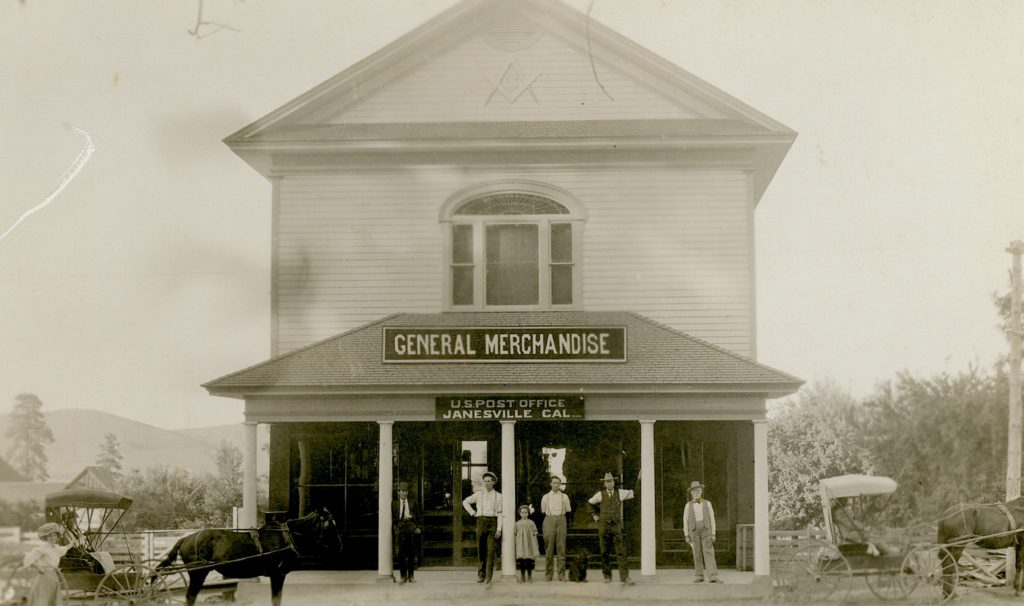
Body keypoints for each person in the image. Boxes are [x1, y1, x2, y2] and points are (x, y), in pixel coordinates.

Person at [587, 472, 634, 585]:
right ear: (604, 483)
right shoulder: (600, 494)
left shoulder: (620, 493)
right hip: (604, 526)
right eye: (607, 481)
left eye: (611, 481)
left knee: (621, 552)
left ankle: (625, 577)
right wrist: (595, 516)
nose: (609, 483)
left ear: (614, 482)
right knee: (604, 552)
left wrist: (639, 479)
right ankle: (607, 576)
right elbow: (589, 503)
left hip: (616, 526)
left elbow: (633, 492)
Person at [462, 470, 502, 584]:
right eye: (485, 481)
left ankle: (489, 577)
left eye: (489, 481)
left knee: (490, 551)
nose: (487, 483)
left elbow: (500, 513)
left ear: (493, 482)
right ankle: (481, 575)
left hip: (493, 522)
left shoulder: (498, 496)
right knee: (481, 549)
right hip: (481, 522)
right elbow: (465, 502)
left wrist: (499, 528)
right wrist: (473, 513)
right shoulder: (479, 494)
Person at [21, 522, 72, 606]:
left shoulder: (56, 548)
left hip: (54, 577)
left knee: (52, 600)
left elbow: (68, 547)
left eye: (54, 535)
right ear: (45, 537)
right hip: (44, 577)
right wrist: (39, 568)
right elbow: (28, 559)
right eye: (50, 536)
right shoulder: (42, 549)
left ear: (57, 536)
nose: (53, 538)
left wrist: (71, 539)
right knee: (43, 600)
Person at [683, 481, 721, 584]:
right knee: (697, 553)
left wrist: (713, 533)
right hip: (694, 531)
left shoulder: (707, 504)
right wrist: (686, 534)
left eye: (698, 491)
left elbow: (712, 519)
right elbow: (685, 521)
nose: (696, 493)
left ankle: (713, 576)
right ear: (691, 493)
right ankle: (699, 575)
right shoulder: (688, 505)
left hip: (706, 530)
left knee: (708, 552)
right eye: (694, 491)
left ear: (701, 491)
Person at [831, 498, 899, 556]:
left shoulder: (840, 510)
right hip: (849, 534)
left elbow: (852, 523)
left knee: (873, 535)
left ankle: (886, 550)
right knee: (874, 538)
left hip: (851, 532)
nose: (846, 500)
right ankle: (889, 553)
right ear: (840, 499)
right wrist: (864, 528)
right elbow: (850, 524)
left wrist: (864, 527)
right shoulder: (838, 511)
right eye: (845, 498)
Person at [540, 475, 571, 582]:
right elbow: (543, 510)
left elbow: (568, 510)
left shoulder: (565, 497)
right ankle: (548, 575)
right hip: (549, 519)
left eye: (558, 483)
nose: (556, 485)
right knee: (549, 549)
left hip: (561, 519)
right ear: (551, 484)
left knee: (561, 548)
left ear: (560, 484)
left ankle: (561, 575)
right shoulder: (545, 497)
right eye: (554, 483)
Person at [393, 481, 421, 584]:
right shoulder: (394, 503)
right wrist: (395, 528)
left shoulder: (413, 502)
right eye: (402, 491)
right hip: (400, 527)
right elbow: (392, 517)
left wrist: (418, 527)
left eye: (406, 491)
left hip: (410, 526)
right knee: (400, 553)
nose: (404, 493)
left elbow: (419, 515)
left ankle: (411, 576)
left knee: (411, 552)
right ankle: (403, 576)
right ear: (399, 492)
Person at [513, 504, 540, 583]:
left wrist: (534, 543)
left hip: (529, 543)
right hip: (521, 544)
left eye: (526, 512)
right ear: (520, 514)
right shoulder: (517, 523)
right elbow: (515, 533)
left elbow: (534, 533)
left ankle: (529, 576)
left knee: (528, 560)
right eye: (522, 513)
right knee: (522, 561)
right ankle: (522, 576)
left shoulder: (531, 523)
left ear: (528, 513)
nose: (524, 514)